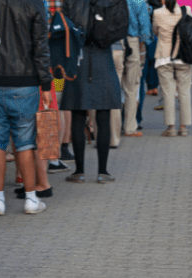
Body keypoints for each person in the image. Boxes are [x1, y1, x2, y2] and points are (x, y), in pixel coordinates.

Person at [0, 0, 52, 216]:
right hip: (26, 80)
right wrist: (47, 84)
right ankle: (31, 198)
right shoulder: (34, 3)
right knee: (25, 142)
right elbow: (41, 44)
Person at [61, 0, 122, 183]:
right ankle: (103, 172)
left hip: (78, 59)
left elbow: (64, 27)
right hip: (103, 57)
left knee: (78, 115)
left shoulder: (71, 2)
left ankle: (79, 171)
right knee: (103, 115)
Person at [153, 0, 192, 136]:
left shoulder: (157, 12)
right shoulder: (186, 10)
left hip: (164, 55)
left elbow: (155, 31)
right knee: (184, 91)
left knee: (168, 92)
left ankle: (170, 127)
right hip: (183, 55)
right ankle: (183, 127)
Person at [123, 0, 153, 137]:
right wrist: (145, 42)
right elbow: (144, 25)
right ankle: (129, 127)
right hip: (132, 41)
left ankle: (112, 126)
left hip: (112, 42)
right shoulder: (138, 1)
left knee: (114, 85)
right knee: (132, 85)